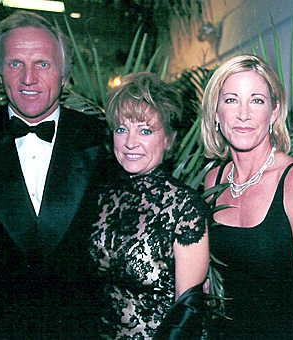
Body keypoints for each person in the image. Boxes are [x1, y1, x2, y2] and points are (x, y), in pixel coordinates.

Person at [0, 11, 107, 339]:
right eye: (15, 63)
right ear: (0, 73)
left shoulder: (104, 141)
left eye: (43, 63)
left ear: (65, 75)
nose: (28, 79)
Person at [201, 55, 293, 339]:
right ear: (215, 112)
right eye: (231, 100)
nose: (243, 114)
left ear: (274, 112)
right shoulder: (213, 180)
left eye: (257, 100)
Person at [90, 72, 210, 339]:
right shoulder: (101, 198)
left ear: (169, 139)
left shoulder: (183, 206)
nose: (130, 143)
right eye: (122, 129)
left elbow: (187, 311)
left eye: (145, 130)